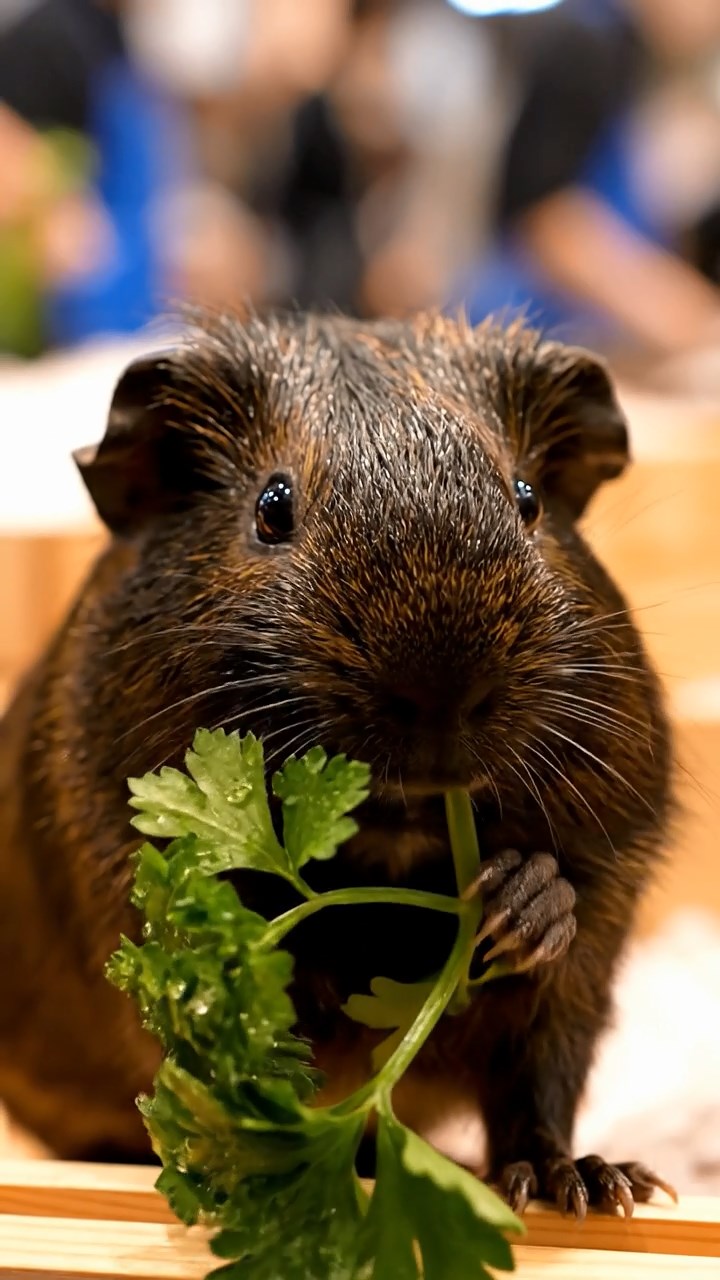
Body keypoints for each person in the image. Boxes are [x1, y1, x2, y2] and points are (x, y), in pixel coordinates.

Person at [459, 0, 720, 359]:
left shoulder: (634, 55)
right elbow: (547, 221)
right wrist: (687, 320)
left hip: (576, 333)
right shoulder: (587, 42)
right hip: (519, 332)